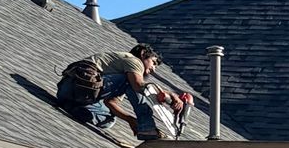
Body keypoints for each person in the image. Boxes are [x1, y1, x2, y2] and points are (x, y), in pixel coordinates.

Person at [57, 43, 190, 140]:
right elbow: (139, 86)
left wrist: (130, 119)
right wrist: (171, 95)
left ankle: (72, 107)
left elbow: (111, 103)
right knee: (138, 84)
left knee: (108, 119)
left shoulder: (122, 75)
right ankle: (147, 128)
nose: (154, 69)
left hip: (68, 93)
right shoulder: (134, 61)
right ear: (143, 54)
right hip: (80, 84)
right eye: (154, 63)